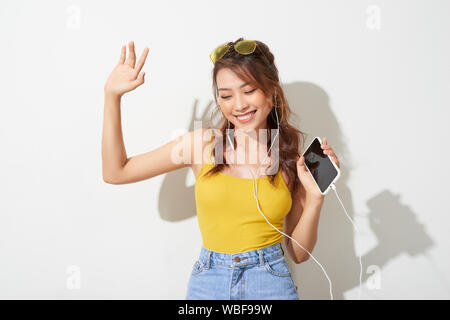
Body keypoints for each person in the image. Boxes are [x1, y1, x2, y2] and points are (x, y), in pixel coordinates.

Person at [102, 38, 340, 300]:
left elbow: (298, 253)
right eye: (226, 95)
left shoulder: (292, 159)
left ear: (272, 92)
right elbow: (117, 172)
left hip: (271, 283)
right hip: (209, 282)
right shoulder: (202, 144)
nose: (238, 105)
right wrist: (112, 97)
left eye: (249, 91)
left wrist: (316, 198)